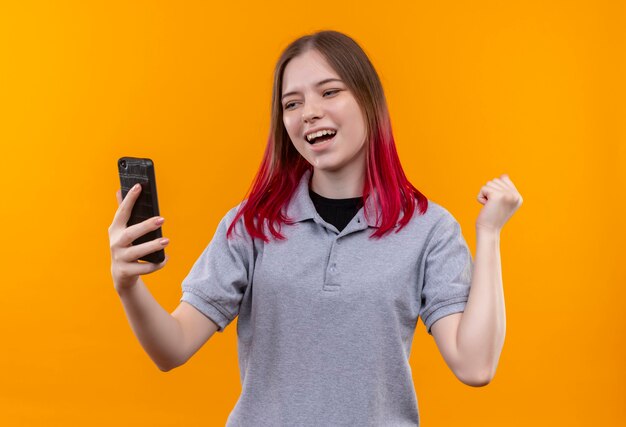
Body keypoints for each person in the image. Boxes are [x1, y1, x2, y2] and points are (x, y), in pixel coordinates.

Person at [108, 30, 523, 426]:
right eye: (291, 103)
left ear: (368, 100)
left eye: (329, 92)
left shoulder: (429, 229)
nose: (309, 112)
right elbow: (172, 348)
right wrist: (128, 285)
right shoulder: (253, 224)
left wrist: (488, 235)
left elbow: (475, 365)